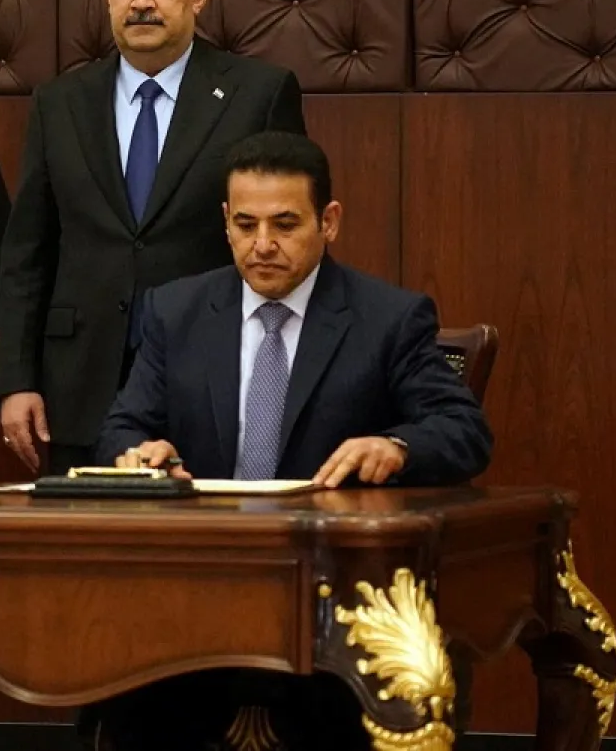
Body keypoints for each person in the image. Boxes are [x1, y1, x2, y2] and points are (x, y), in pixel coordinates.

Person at [95, 131, 492, 750]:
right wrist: (141, 455)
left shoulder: (389, 319)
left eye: (285, 224)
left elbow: (464, 431)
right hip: (197, 587)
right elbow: (122, 426)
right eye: (246, 224)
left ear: (328, 222)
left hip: (334, 596)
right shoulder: (176, 311)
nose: (262, 246)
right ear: (225, 222)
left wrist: (396, 445)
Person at [0, 0, 307, 476]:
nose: (142, 0)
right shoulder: (59, 102)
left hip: (209, 375)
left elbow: (286, 242)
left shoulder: (258, 94)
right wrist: (16, 380)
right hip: (77, 387)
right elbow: (27, 252)